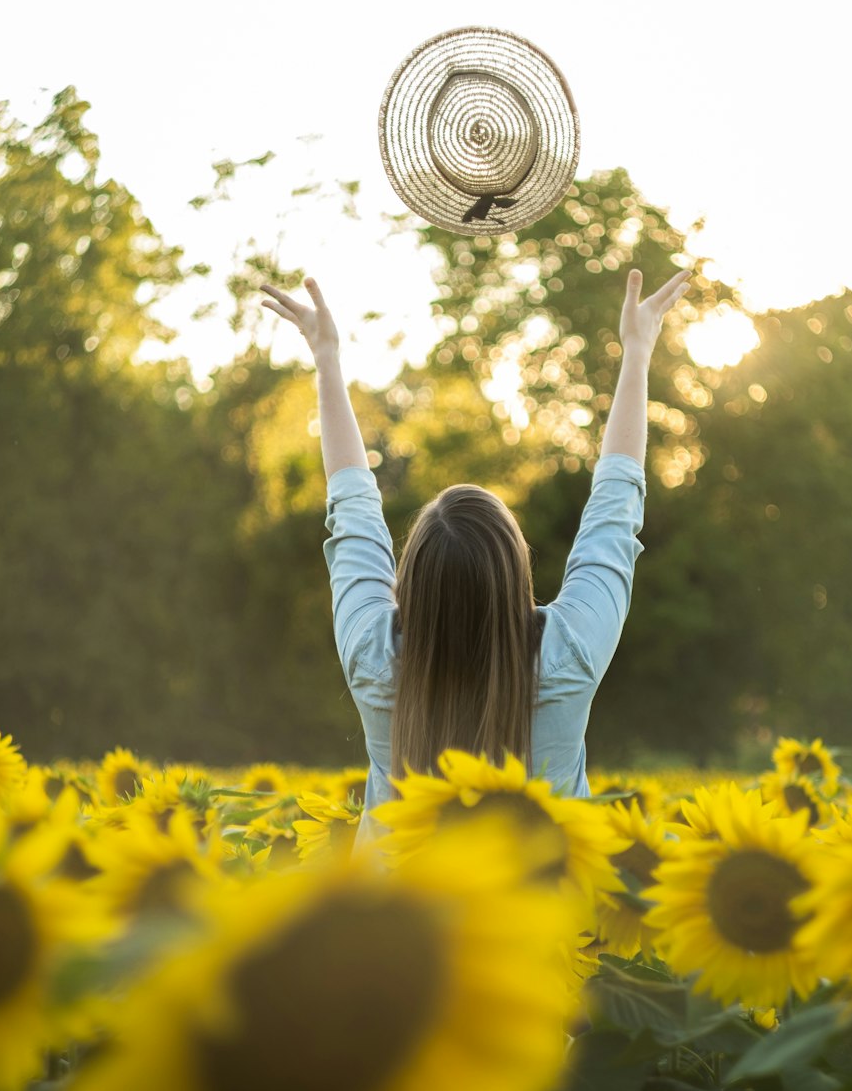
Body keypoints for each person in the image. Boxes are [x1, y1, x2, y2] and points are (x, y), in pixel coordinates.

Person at [260, 263, 692, 850]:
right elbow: (616, 509)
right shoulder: (569, 654)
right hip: (551, 933)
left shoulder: (374, 656)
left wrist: (326, 359)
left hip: (401, 931)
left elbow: (353, 510)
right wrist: (637, 354)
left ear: (410, 582)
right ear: (516, 572)